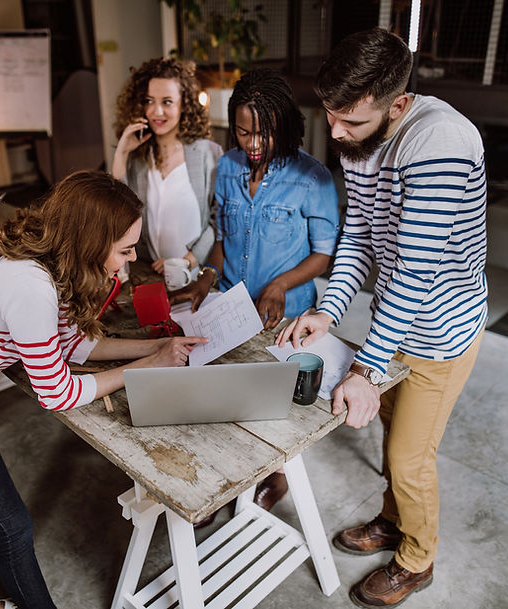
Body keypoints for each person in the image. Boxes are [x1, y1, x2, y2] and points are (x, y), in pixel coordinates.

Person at [0, 171, 207, 609]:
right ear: (90, 242)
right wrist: (145, 366)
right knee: (11, 525)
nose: (128, 264)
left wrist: (159, 344)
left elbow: (75, 343)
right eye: (124, 251)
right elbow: (56, 394)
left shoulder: (46, 252)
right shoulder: (31, 285)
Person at [276, 28, 488, 608]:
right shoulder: (363, 140)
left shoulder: (441, 142)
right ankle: (394, 522)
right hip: (393, 327)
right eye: (330, 115)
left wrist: (366, 370)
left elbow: (417, 272)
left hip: (441, 332)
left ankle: (417, 560)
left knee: (408, 456)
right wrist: (328, 311)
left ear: (397, 105)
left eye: (350, 120)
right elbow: (361, 237)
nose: (336, 132)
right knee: (397, 435)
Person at [173, 68, 340, 520]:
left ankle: (276, 474)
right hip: (229, 305)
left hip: (283, 313)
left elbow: (324, 255)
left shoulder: (313, 178)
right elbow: (224, 237)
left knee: (273, 409)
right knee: (221, 397)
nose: (253, 144)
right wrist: (208, 275)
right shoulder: (227, 167)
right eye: (243, 132)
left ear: (285, 125)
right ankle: (226, 479)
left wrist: (280, 285)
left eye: (263, 133)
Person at [111, 57, 222, 274]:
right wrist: (122, 152)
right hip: (150, 273)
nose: (156, 111)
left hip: (195, 274)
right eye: (149, 101)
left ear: (185, 104)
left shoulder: (208, 153)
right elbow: (117, 212)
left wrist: (188, 260)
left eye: (167, 102)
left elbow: (219, 219)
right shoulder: (138, 157)